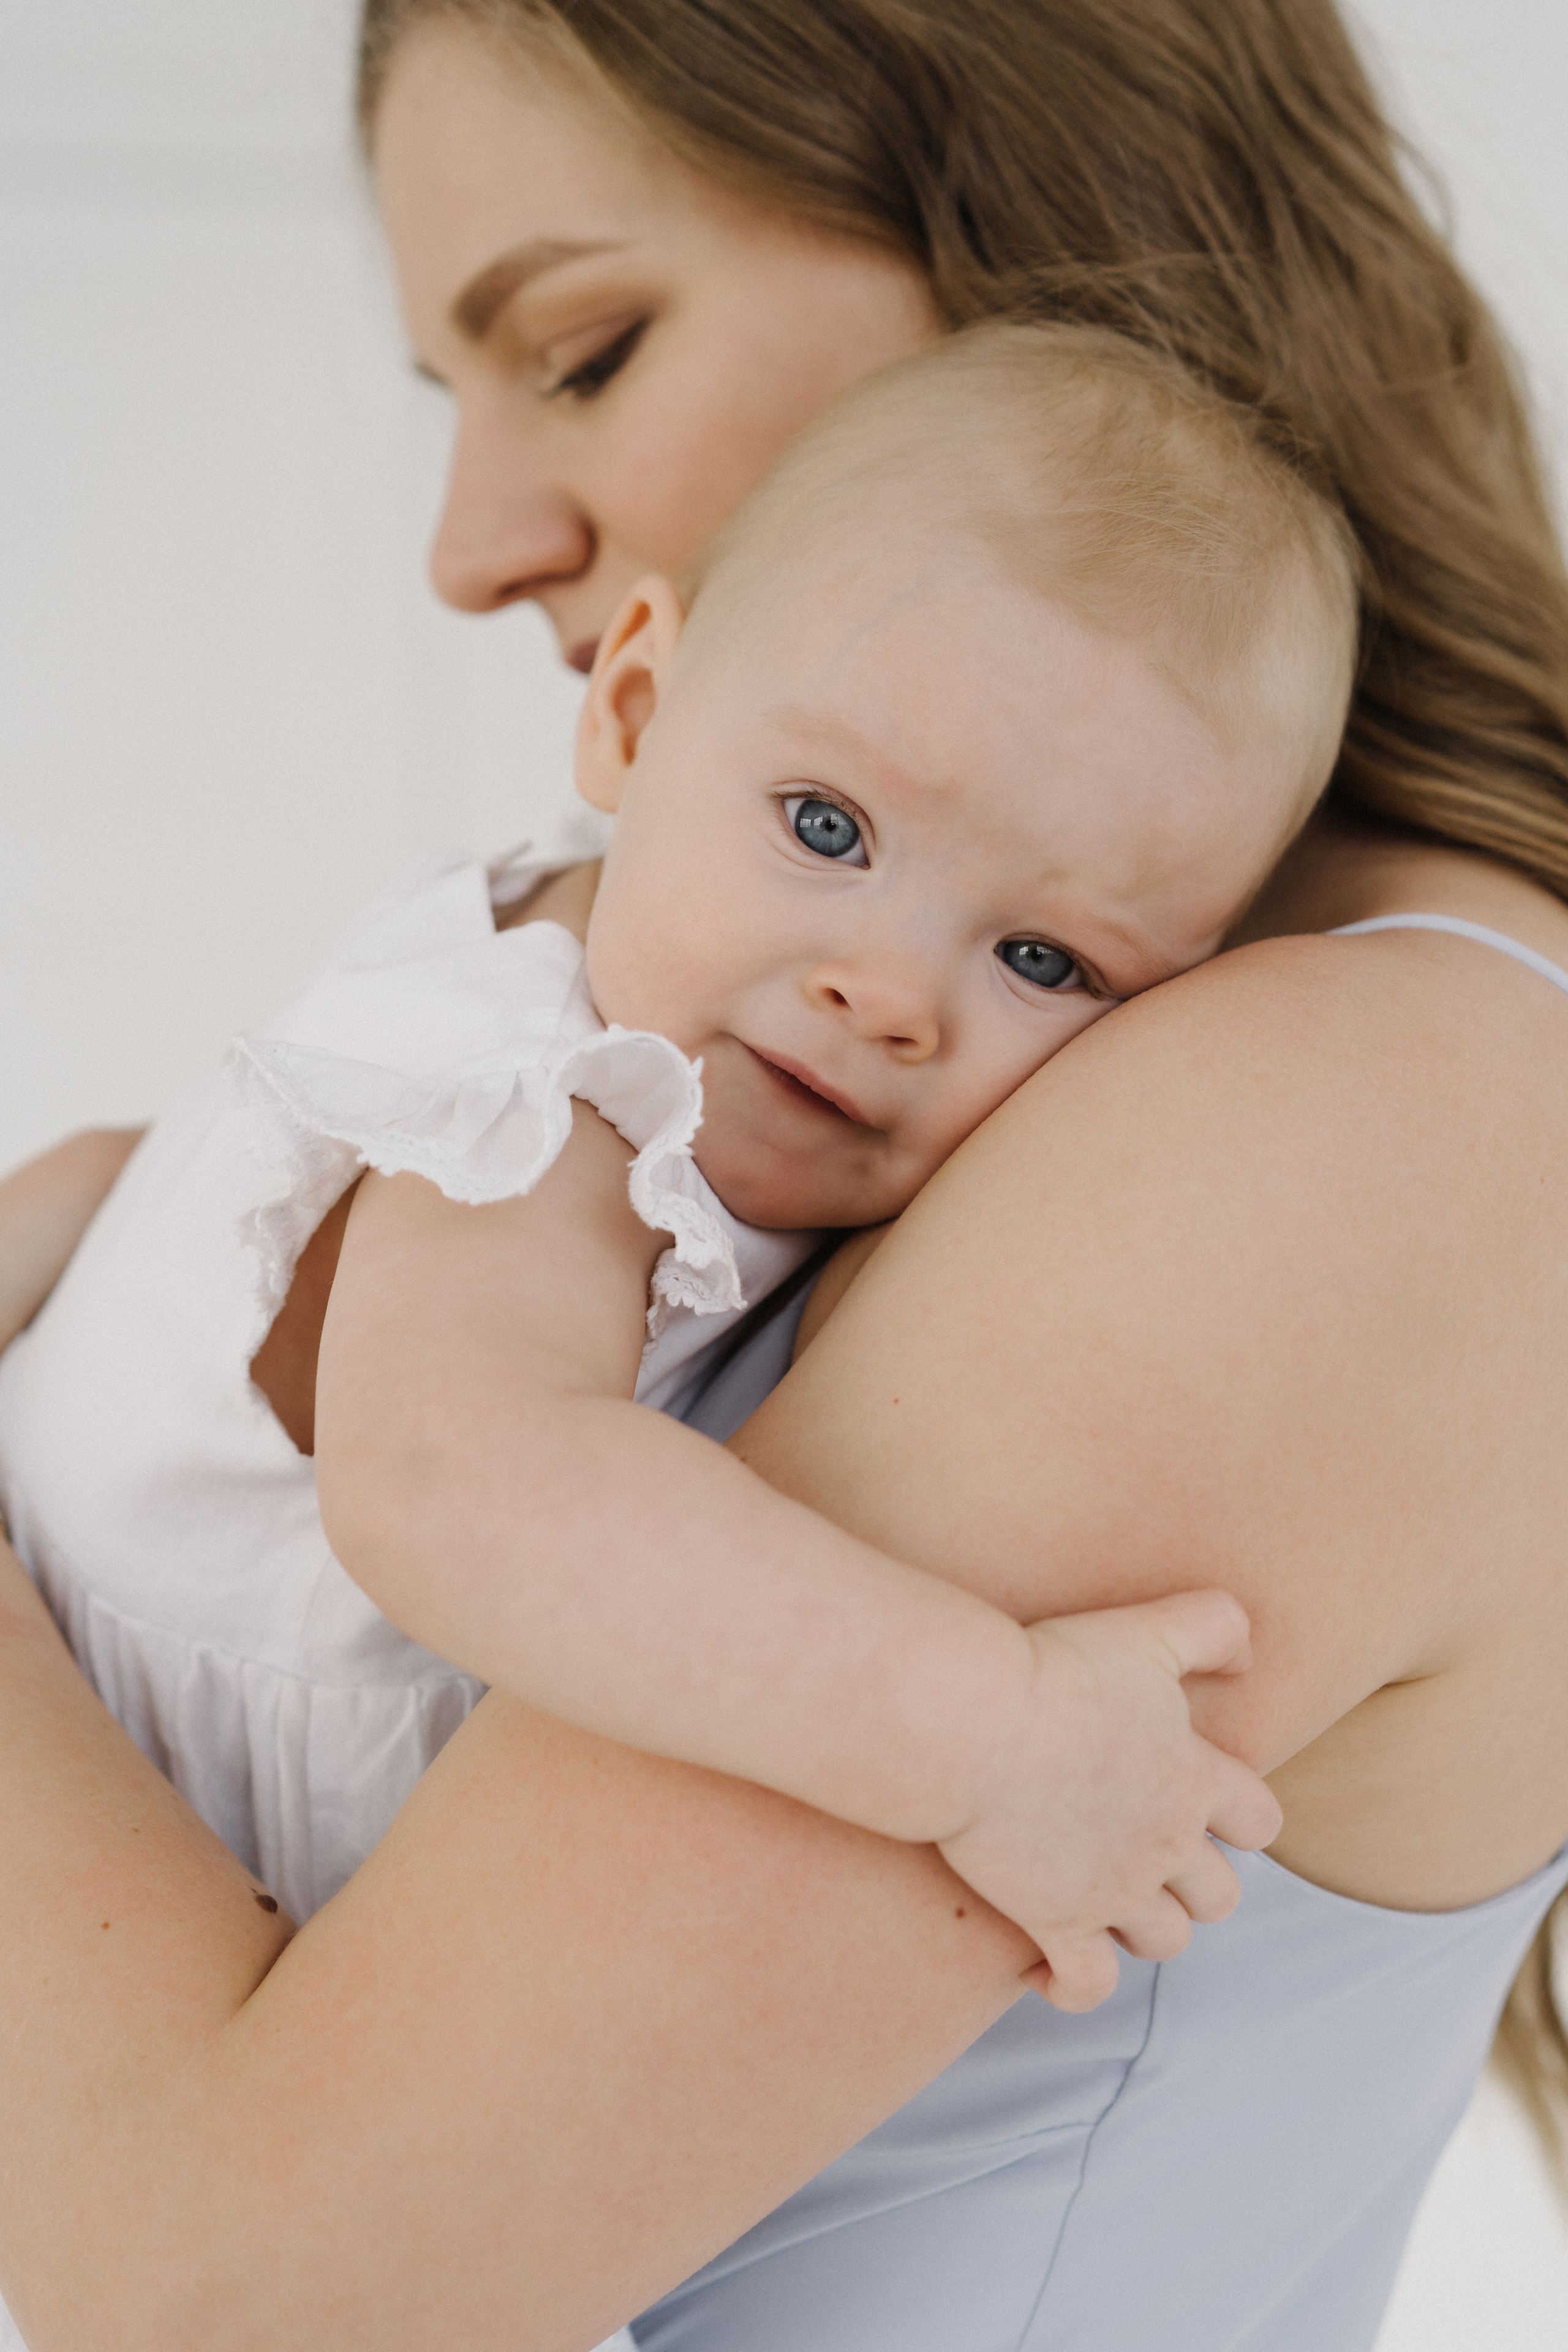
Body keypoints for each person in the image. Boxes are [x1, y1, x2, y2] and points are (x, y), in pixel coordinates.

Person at [1, 2, 1567, 2348]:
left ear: (1046, 234)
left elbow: (233, 2294)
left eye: (587, 346)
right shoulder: (1029, 1047)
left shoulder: (1341, 1121)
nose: (472, 545)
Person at [2, 320, 1343, 1999]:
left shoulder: (596, 955)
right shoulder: (559, 1103)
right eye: (827, 828)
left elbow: (134, 1174)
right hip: (114, 1828)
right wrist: (990, 1739)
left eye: (1046, 963)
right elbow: (446, 1491)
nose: (892, 995)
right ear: (634, 714)